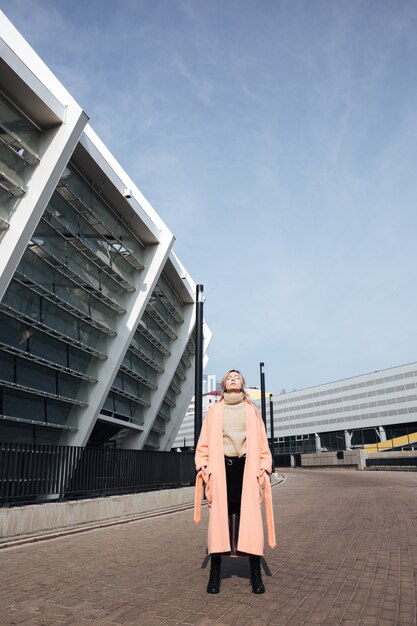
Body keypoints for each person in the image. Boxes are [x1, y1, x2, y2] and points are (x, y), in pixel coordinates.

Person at [194, 369, 276, 594]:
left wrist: (264, 467)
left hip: (247, 469)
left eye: (237, 377)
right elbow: (203, 444)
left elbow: (261, 443)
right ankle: (215, 576)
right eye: (229, 377)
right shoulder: (214, 411)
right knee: (219, 521)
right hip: (221, 470)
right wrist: (203, 466)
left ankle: (256, 577)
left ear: (242, 384)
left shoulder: (251, 410)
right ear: (224, 384)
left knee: (251, 521)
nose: (233, 379)